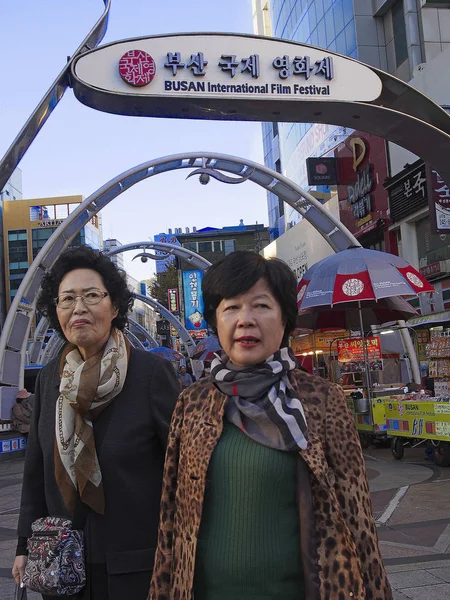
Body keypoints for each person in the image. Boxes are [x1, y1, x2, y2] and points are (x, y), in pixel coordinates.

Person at [150, 250, 392, 600]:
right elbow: (170, 520)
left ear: (285, 320)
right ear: (215, 320)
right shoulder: (193, 403)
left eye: (261, 306)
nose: (245, 320)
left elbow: (358, 519)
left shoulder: (321, 400)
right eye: (231, 307)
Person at [12, 246, 179, 600]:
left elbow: (180, 472)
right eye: (67, 299)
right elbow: (36, 469)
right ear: (55, 310)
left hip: (136, 567)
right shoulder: (49, 379)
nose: (79, 308)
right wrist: (24, 545)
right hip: (61, 564)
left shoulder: (150, 374)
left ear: (115, 306)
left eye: (91, 296)